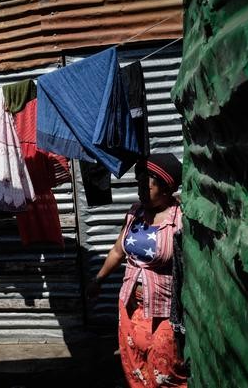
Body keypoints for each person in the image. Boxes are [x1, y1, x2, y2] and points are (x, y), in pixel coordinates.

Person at [87, 153, 187, 388]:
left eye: (146, 184)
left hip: (163, 309)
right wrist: (98, 280)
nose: (140, 189)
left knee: (166, 369)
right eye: (138, 183)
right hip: (131, 304)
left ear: (165, 187)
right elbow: (117, 251)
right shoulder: (135, 212)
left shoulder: (179, 219)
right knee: (135, 368)